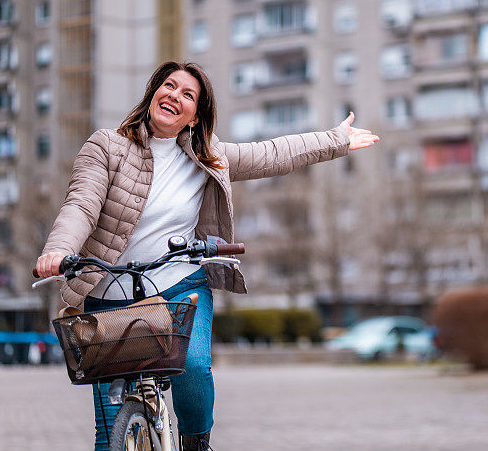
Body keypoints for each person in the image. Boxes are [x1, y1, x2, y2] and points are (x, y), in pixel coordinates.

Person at [34, 61, 379, 450]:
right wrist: (59, 250)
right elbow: (81, 203)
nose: (174, 96)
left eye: (188, 95)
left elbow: (273, 153)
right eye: (168, 86)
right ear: (152, 94)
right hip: (108, 294)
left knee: (193, 368)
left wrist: (336, 140)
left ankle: (196, 443)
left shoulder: (208, 157)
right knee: (110, 430)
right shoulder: (107, 146)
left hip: (178, 285)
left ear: (195, 117)